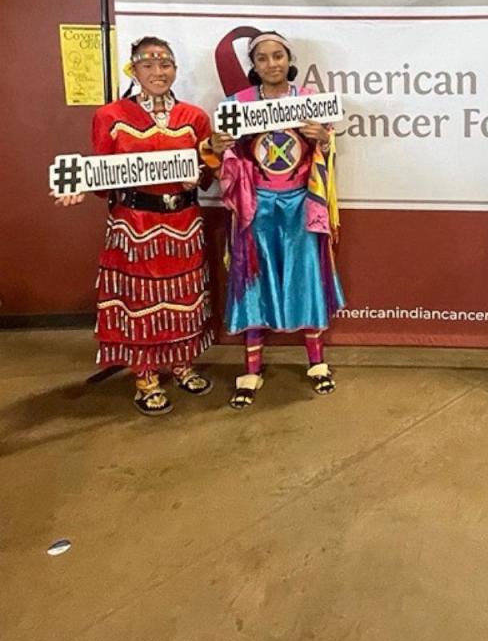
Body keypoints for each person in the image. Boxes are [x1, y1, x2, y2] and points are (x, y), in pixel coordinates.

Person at [54, 37, 214, 416]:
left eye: (166, 65)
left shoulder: (194, 117)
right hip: (134, 224)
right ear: (134, 70)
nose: (158, 73)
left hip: (183, 223)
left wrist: (201, 173)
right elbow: (103, 176)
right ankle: (145, 375)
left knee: (182, 296)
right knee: (139, 300)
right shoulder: (110, 116)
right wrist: (81, 186)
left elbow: (208, 172)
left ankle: (181, 362)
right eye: (149, 65)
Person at [207, 31, 344, 410]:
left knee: (306, 277)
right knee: (253, 278)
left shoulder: (310, 102)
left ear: (289, 59)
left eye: (278, 55)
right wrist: (219, 148)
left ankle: (317, 362)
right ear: (254, 65)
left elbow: (327, 152)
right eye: (263, 58)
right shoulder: (238, 104)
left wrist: (324, 140)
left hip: (301, 204)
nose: (272, 63)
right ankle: (251, 367)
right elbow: (225, 157)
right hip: (257, 206)